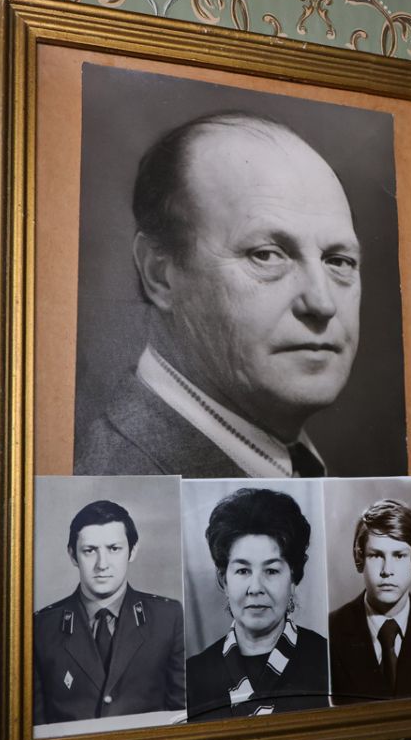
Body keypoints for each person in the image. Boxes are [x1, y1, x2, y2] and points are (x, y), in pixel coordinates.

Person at [73, 111, 362, 478]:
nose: (322, 303)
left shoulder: (295, 464)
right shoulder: (117, 481)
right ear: (159, 275)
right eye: (266, 255)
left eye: (338, 261)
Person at [33, 500, 185, 725]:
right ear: (73, 555)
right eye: (89, 551)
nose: (102, 564)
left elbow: (182, 716)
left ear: (132, 551)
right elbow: (36, 726)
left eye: (114, 549)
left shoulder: (168, 618)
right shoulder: (41, 628)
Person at [185, 488, 330, 720]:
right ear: (224, 580)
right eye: (243, 571)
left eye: (271, 571)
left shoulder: (329, 661)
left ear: (293, 579)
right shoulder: (192, 675)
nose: (255, 588)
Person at [328, 498, 411, 704]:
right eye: (376, 555)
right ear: (359, 559)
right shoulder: (330, 632)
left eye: (399, 556)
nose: (387, 570)